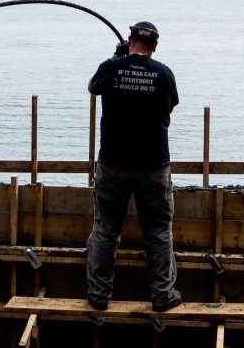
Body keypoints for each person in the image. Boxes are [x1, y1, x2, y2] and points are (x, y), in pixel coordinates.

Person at [86, 21, 181, 312]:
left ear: (129, 41)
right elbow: (170, 106)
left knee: (105, 231)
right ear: (154, 45)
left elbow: (94, 87)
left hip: (113, 164)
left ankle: (99, 296)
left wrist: (117, 58)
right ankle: (162, 295)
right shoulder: (163, 73)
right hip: (153, 167)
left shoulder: (110, 68)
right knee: (159, 232)